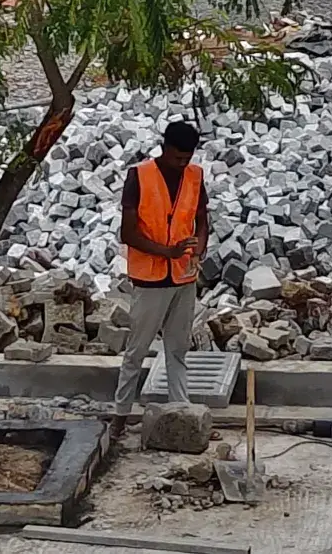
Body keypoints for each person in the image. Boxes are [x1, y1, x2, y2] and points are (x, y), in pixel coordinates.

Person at [109, 120, 208, 437]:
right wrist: (166, 251)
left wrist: (198, 248)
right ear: (164, 149)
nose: (183, 164)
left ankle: (183, 414)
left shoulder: (194, 176)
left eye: (187, 158)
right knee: (136, 351)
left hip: (183, 277)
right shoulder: (140, 176)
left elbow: (203, 219)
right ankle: (121, 415)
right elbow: (128, 233)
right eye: (178, 157)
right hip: (151, 279)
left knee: (177, 350)